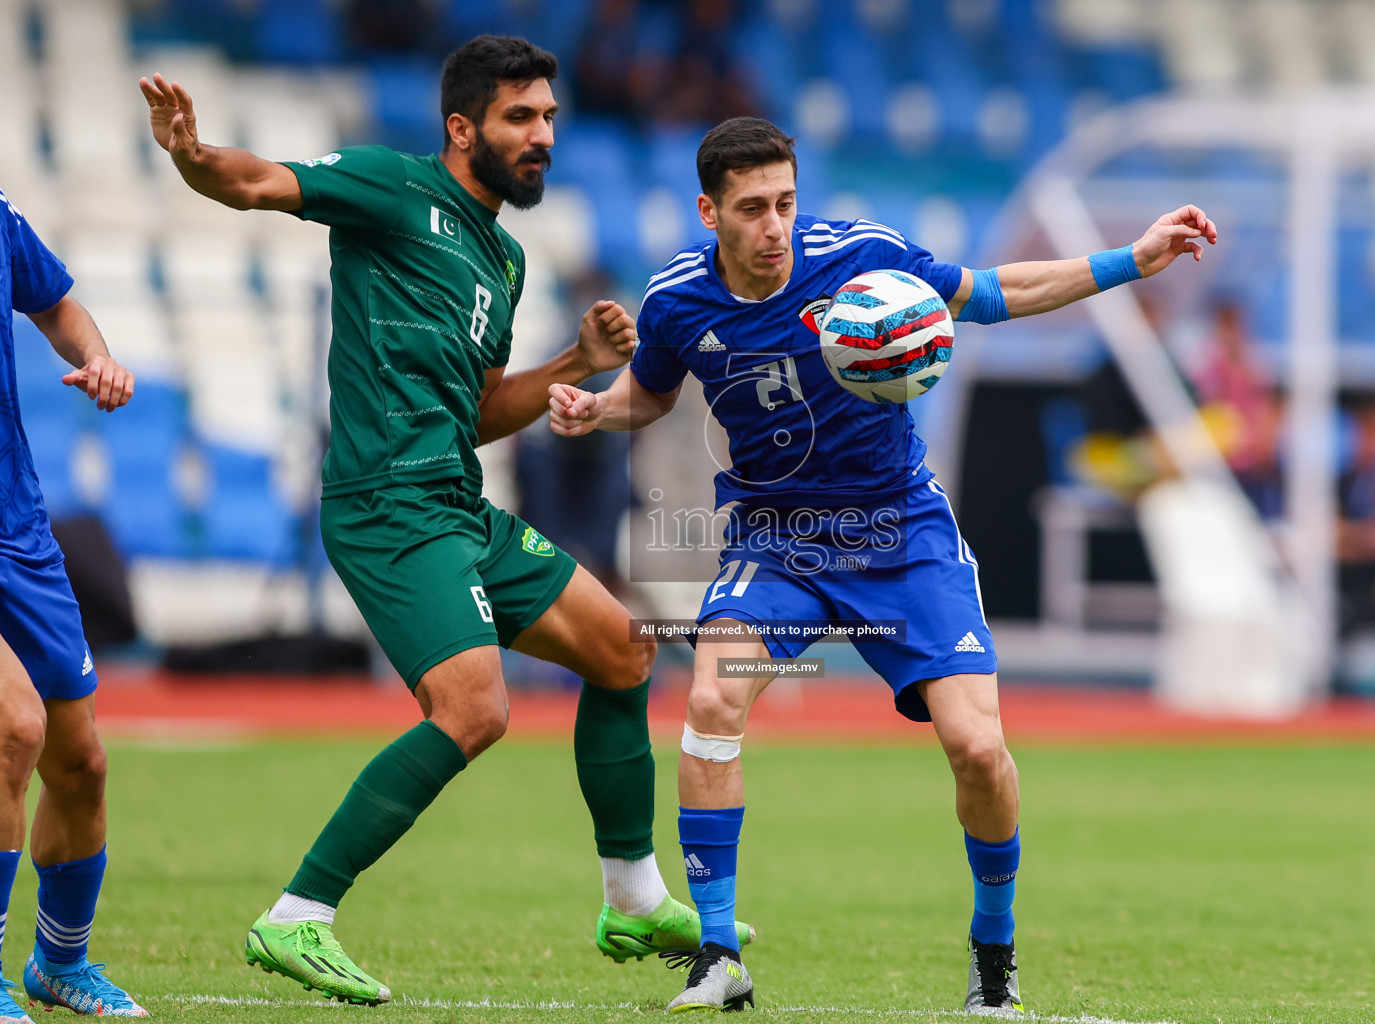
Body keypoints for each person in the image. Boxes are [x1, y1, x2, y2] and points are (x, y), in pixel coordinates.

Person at [548, 117, 1216, 1015]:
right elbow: (653, 392)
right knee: (710, 700)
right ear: (710, 211)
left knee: (978, 749)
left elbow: (987, 293)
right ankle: (717, 955)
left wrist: (1128, 260)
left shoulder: (863, 259)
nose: (774, 225)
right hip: (776, 542)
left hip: (899, 536)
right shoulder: (676, 301)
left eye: (785, 201)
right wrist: (600, 410)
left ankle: (994, 962)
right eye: (752, 208)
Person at [139, 36, 750, 1007]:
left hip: (456, 501)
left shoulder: (502, 256)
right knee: (476, 709)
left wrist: (574, 362)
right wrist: (191, 156)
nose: (542, 134)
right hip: (386, 504)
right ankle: (299, 915)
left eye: (549, 116)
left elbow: (476, 409)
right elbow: (253, 182)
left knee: (624, 649)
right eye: (521, 117)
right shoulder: (390, 187)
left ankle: (632, 895)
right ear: (464, 128)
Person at [0, 187, 145, 1017]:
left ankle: (59, 963)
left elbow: (56, 302)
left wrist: (98, 356)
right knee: (13, 726)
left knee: (79, 763)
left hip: (16, 524)